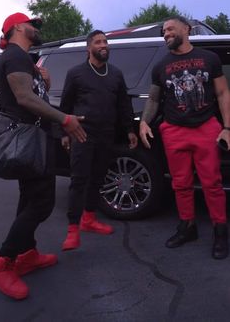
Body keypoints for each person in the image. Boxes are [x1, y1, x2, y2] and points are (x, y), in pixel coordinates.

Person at [0, 12, 87, 300]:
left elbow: (34, 95)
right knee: (41, 203)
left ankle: (27, 254)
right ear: (18, 27)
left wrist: (43, 82)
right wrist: (65, 120)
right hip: (28, 139)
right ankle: (1, 263)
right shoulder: (14, 56)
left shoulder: (24, 59)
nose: (36, 28)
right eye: (33, 24)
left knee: (29, 198)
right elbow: (24, 98)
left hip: (36, 139)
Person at [139, 16, 230, 259]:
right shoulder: (161, 66)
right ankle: (187, 226)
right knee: (181, 183)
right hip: (174, 130)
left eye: (170, 28)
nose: (166, 33)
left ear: (186, 29)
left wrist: (227, 128)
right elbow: (154, 99)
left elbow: (222, 93)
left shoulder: (209, 58)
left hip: (205, 128)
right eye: (163, 31)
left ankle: (221, 230)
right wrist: (144, 123)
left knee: (212, 184)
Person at [60, 29, 138, 251]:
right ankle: (73, 229)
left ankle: (89, 219)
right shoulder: (76, 73)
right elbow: (65, 106)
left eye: (105, 41)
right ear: (88, 48)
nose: (104, 45)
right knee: (79, 180)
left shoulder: (115, 74)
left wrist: (129, 130)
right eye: (98, 42)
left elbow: (123, 104)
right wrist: (64, 133)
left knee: (98, 178)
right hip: (82, 134)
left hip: (106, 134)